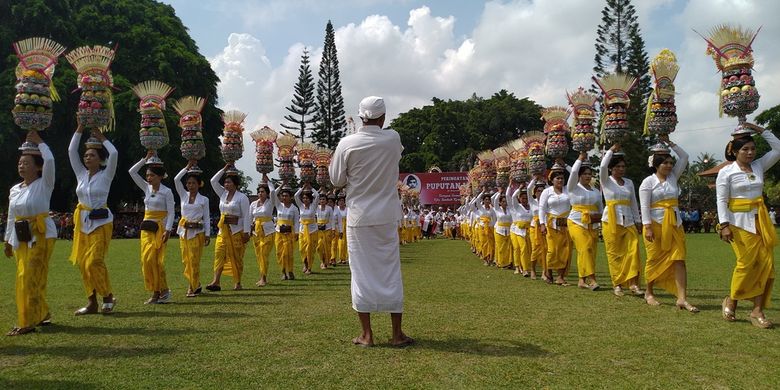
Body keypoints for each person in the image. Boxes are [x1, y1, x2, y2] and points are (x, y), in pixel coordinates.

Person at [330, 96, 412, 347]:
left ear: (361, 116)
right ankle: (396, 334)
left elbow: (336, 180)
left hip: (359, 216)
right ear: (383, 118)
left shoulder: (347, 143)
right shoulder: (393, 138)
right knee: (390, 272)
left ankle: (367, 334)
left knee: (361, 274)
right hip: (386, 215)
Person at [717, 123, 779, 328]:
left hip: (760, 222)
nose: (750, 152)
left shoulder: (759, 166)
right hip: (737, 223)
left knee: (766, 265)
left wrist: (759, 129)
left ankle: (757, 311)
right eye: (745, 149)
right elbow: (721, 200)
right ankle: (732, 301)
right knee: (745, 264)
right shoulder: (726, 172)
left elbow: (778, 148)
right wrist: (724, 225)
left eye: (753, 148)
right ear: (734, 151)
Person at [4, 133, 56, 336]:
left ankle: (27, 321)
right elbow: (11, 216)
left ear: (38, 167)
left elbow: (50, 159)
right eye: (20, 163)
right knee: (28, 276)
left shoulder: (44, 184)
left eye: (26, 163)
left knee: (28, 276)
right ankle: (42, 313)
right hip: (20, 236)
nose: (21, 166)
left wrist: (40, 141)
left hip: (41, 234)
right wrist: (8, 241)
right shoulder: (15, 189)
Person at [639, 135, 697, 312]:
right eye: (665, 163)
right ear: (656, 165)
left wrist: (669, 142)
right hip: (655, 225)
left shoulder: (673, 178)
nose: (670, 166)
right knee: (654, 259)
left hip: (675, 224)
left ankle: (682, 298)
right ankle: (649, 293)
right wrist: (647, 227)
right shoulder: (648, 182)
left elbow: (685, 157)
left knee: (679, 260)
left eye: (671, 162)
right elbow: (644, 206)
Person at [68, 125, 118, 314]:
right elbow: (71, 150)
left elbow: (114, 154)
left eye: (92, 155)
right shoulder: (80, 174)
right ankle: (92, 302)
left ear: (100, 159)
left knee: (94, 261)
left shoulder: (107, 175)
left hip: (101, 223)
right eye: (86, 155)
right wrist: (79, 129)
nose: (88, 158)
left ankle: (107, 296)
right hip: (82, 224)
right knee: (83, 263)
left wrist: (101, 137)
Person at [129, 152, 175, 304]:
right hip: (146, 229)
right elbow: (132, 172)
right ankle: (159, 290)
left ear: (160, 177)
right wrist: (144, 159)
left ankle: (160, 292)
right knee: (146, 260)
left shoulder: (167, 192)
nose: (149, 178)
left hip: (160, 229)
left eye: (152, 175)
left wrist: (168, 230)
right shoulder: (146, 188)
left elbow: (171, 211)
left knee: (156, 261)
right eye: (148, 175)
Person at [600, 144, 644, 297]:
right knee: (614, 253)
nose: (621, 169)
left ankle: (633, 283)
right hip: (610, 219)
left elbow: (633, 202)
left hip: (629, 220)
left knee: (633, 251)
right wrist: (611, 150)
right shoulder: (606, 180)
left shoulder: (629, 183)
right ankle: (617, 284)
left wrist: (638, 220)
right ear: (612, 168)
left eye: (623, 166)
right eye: (618, 166)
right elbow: (602, 165)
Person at [208, 165, 251, 291]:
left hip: (236, 232)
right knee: (219, 255)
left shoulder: (242, 197)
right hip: (222, 232)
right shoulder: (222, 194)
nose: (226, 184)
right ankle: (216, 281)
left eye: (229, 182)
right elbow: (213, 181)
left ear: (235, 184)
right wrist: (224, 168)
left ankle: (237, 282)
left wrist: (246, 232)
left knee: (236, 257)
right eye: (225, 182)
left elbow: (246, 216)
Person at [567, 152, 603, 291]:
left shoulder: (595, 191)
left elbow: (600, 208)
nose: (588, 176)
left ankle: (581, 280)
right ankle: (592, 279)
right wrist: (580, 159)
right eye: (585, 174)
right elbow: (573, 172)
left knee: (589, 251)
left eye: (590, 174)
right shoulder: (573, 187)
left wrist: (600, 222)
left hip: (592, 223)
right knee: (585, 247)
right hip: (576, 221)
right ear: (579, 176)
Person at [174, 162, 211, 297]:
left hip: (197, 233)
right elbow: (176, 179)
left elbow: (206, 217)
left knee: (194, 260)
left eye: (193, 183)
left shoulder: (204, 199)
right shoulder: (183, 196)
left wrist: (207, 234)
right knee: (186, 260)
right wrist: (187, 167)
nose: (190, 186)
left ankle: (191, 286)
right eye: (188, 183)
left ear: (199, 184)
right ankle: (197, 283)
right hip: (184, 232)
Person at [539, 163, 572, 286]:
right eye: (557, 178)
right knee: (552, 250)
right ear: (551, 180)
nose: (560, 180)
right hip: (551, 224)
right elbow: (542, 208)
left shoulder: (569, 190)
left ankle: (561, 276)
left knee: (565, 250)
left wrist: (565, 165)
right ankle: (548, 272)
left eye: (562, 178)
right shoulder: (547, 192)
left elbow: (574, 173)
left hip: (566, 224)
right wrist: (542, 224)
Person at [250, 175, 276, 287]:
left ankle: (263, 278)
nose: (261, 194)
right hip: (257, 232)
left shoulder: (270, 203)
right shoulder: (253, 204)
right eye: (259, 192)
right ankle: (262, 275)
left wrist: (268, 181)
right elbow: (250, 217)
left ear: (266, 193)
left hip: (268, 231)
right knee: (259, 255)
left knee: (264, 254)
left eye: (263, 192)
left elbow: (273, 192)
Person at [507, 179, 533, 277]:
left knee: (529, 249)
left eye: (526, 198)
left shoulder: (531, 207)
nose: (525, 200)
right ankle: (522, 268)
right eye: (523, 198)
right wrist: (519, 188)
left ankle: (527, 267)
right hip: (518, 231)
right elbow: (512, 196)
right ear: (520, 199)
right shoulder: (517, 207)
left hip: (530, 231)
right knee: (522, 248)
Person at [274, 183, 299, 279]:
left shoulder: (294, 209)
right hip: (279, 233)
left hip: (289, 234)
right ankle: (283, 271)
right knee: (279, 253)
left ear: (291, 197)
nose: (284, 198)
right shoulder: (279, 205)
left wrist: (296, 233)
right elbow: (273, 194)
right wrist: (281, 186)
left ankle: (290, 271)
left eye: (286, 196)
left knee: (288, 253)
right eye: (282, 196)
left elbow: (296, 221)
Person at [527, 176, 548, 281]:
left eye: (542, 191)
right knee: (535, 249)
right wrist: (535, 179)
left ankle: (545, 272)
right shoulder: (532, 201)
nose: (540, 192)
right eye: (538, 191)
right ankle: (533, 270)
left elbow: (550, 189)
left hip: (545, 227)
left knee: (545, 249)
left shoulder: (547, 201)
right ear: (535, 192)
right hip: (534, 228)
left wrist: (544, 181)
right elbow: (528, 189)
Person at [295, 184, 319, 274]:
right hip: (302, 230)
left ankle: (309, 267)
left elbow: (317, 195)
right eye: (304, 198)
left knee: (309, 249)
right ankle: (305, 263)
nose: (305, 200)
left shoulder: (313, 206)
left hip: (312, 230)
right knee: (302, 249)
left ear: (310, 199)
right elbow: (295, 196)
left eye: (307, 198)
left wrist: (311, 187)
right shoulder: (300, 206)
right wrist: (302, 187)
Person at [491, 187, 513, 269]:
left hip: (508, 230)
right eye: (503, 202)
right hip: (499, 230)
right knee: (500, 247)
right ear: (500, 203)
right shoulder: (497, 209)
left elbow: (510, 198)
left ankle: (508, 262)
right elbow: (495, 200)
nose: (504, 203)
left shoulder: (509, 209)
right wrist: (499, 192)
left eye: (505, 201)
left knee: (508, 248)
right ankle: (500, 262)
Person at [315, 191, 334, 269]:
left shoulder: (329, 208)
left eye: (323, 199)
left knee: (327, 247)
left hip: (327, 229)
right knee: (319, 247)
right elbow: (314, 196)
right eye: (321, 199)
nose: (322, 201)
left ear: (326, 201)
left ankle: (326, 262)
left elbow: (332, 219)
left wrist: (333, 229)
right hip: (318, 229)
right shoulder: (316, 207)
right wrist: (320, 189)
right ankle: (322, 261)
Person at [334, 192, 348, 264]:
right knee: (339, 243)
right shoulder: (336, 209)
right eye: (339, 201)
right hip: (338, 227)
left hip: (346, 227)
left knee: (345, 243)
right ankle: (340, 258)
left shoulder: (347, 209)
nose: (341, 202)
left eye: (342, 201)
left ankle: (344, 258)